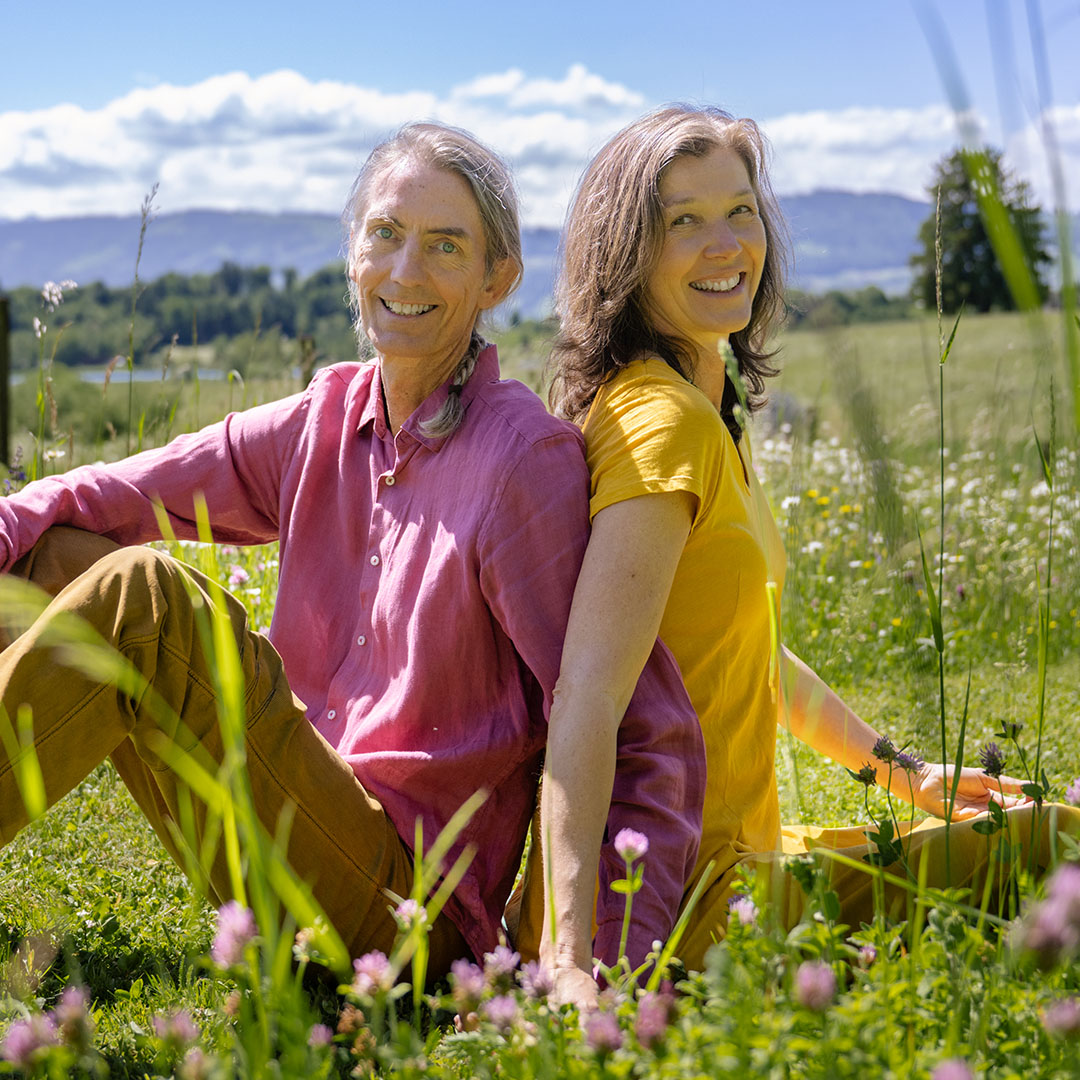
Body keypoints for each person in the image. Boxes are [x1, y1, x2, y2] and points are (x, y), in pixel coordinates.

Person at [0, 123, 704, 982]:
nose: (406, 271)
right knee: (52, 562)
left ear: (497, 280)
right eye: (385, 233)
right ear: (352, 253)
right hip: (294, 831)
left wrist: (596, 969)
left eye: (446, 246)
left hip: (410, 917)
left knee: (144, 597)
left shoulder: (524, 461)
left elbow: (639, 728)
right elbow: (115, 491)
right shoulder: (324, 415)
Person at [519, 103, 1080, 1006]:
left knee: (1031, 816)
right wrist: (568, 963)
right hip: (687, 901)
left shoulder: (701, 406)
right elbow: (587, 692)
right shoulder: (661, 423)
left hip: (740, 864)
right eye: (683, 221)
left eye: (740, 211)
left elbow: (744, 647)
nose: (726, 243)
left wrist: (905, 774)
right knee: (1058, 838)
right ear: (623, 253)